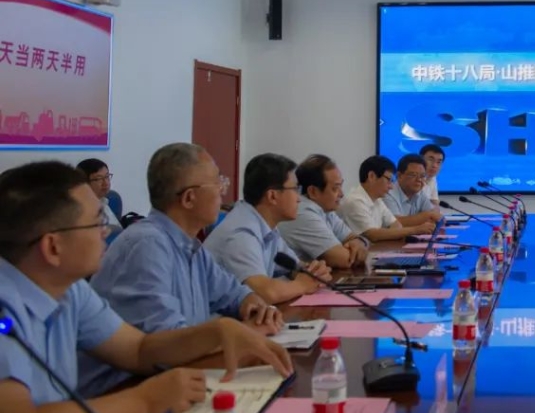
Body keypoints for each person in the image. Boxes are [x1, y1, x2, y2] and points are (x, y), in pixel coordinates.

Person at [0, 161, 291, 413]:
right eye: (97, 222)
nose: (106, 231)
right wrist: (144, 400)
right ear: (53, 247)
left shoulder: (71, 290)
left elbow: (138, 350)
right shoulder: (6, 308)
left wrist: (217, 331)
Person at [82, 144, 283, 397]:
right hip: (123, 393)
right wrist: (242, 332)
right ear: (189, 198)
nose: (223, 192)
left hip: (172, 380)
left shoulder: (190, 245)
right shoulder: (148, 246)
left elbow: (235, 294)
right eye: (217, 183)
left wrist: (255, 308)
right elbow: (169, 344)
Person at [205, 153, 333, 304]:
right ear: (272, 196)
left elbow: (293, 267)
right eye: (295, 189)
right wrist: (302, 285)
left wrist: (314, 272)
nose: (299, 198)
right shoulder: (241, 233)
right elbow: (264, 293)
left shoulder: (266, 226)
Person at [278, 154, 369, 269]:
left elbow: (352, 237)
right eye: (335, 188)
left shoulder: (326, 210)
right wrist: (357, 249)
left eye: (341, 186)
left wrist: (359, 242)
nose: (342, 194)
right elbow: (344, 260)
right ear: (313, 192)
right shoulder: (302, 213)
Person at [337, 156, 435, 242]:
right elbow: (373, 235)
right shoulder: (355, 201)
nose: (391, 186)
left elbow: (396, 225)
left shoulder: (377, 200)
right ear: (371, 176)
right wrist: (416, 230)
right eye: (389, 180)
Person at [384, 154, 443, 227]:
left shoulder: (420, 193)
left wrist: (432, 216)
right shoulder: (388, 193)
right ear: (399, 176)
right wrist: (425, 216)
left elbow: (435, 216)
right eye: (413, 175)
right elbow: (394, 223)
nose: (419, 180)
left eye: (422, 176)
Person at [76, 159, 121, 235]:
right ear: (84, 183)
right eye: (98, 179)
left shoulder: (103, 201)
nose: (106, 183)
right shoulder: (80, 211)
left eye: (107, 176)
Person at [419, 144, 445, 209]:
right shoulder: (412, 179)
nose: (434, 165)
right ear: (420, 159)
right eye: (430, 160)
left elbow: (434, 202)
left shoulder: (432, 178)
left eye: (438, 162)